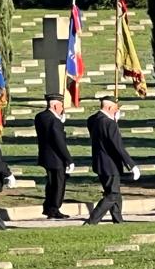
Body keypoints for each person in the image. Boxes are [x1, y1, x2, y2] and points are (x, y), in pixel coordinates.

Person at [84, 97, 137, 225]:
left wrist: (113, 120)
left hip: (99, 163)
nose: (117, 111)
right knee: (112, 194)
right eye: (116, 108)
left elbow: (104, 136)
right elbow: (117, 145)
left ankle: (118, 220)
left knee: (115, 193)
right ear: (108, 108)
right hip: (110, 164)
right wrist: (131, 165)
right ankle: (92, 222)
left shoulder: (92, 120)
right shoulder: (109, 123)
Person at [35, 95, 74, 219]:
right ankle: (54, 209)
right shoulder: (54, 121)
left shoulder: (40, 117)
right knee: (58, 184)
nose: (62, 108)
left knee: (51, 183)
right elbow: (59, 141)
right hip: (56, 158)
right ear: (55, 105)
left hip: (45, 156)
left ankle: (48, 207)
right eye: (61, 105)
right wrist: (68, 159)